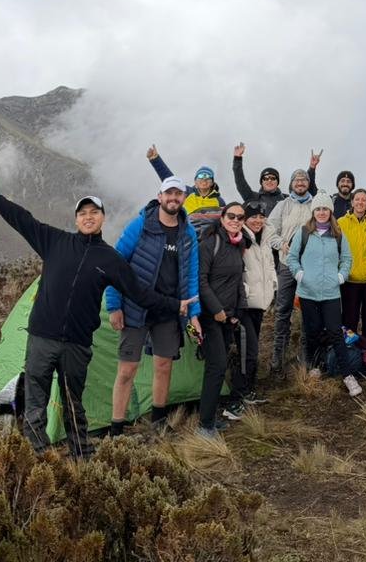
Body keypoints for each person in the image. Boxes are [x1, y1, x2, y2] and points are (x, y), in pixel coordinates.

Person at [0, 166, 183, 459]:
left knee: (74, 402)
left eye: (94, 212)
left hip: (77, 345)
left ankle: (80, 453)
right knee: (36, 400)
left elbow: (140, 294)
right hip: (41, 338)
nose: (88, 217)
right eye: (83, 213)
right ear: (76, 218)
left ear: (102, 219)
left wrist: (176, 305)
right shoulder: (55, 241)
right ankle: (40, 454)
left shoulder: (110, 259)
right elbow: (21, 219)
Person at [106, 177, 202, 435]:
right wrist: (114, 305)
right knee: (127, 369)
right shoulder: (141, 225)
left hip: (169, 310)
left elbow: (192, 274)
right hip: (135, 308)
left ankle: (158, 422)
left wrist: (194, 314)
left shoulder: (187, 232)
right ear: (159, 197)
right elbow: (117, 264)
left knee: (164, 365)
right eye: (168, 193)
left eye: (178, 194)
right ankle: (117, 428)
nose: (173, 198)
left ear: (183, 199)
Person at [286, 192, 362, 396]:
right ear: (313, 212)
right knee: (312, 332)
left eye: (325, 209)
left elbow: (347, 259)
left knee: (336, 333)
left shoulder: (338, 235)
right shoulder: (303, 233)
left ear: (330, 212)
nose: (321, 212)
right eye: (318, 209)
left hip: (331, 293)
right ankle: (315, 367)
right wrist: (300, 275)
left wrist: (340, 277)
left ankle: (348, 375)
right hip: (308, 293)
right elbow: (292, 258)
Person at [197, 202, 250, 435]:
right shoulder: (210, 244)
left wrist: (238, 312)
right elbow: (201, 281)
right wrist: (217, 309)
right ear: (222, 217)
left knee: (218, 366)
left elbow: (238, 280)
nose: (235, 220)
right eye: (231, 216)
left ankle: (208, 419)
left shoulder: (238, 245)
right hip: (209, 315)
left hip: (228, 316)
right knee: (217, 366)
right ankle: (204, 425)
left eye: (240, 217)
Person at [264, 169, 316, 373]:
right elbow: (269, 231)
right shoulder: (282, 205)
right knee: (282, 310)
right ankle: (278, 357)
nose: (300, 183)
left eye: (304, 180)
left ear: (308, 184)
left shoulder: (316, 204)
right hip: (286, 265)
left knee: (307, 312)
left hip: (310, 267)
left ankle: (305, 357)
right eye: (297, 180)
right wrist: (281, 244)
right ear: (291, 184)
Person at [238, 200, 277, 401]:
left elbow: (269, 265)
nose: (258, 220)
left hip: (260, 302)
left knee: (252, 349)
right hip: (244, 304)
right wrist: (243, 295)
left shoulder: (265, 238)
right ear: (245, 218)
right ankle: (243, 392)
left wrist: (273, 286)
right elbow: (235, 271)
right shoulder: (241, 239)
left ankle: (248, 390)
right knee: (248, 350)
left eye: (261, 216)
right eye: (253, 216)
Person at [147, 146, 225, 232]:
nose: (204, 180)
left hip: (209, 236)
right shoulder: (187, 192)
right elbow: (169, 178)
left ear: (212, 182)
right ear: (195, 182)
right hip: (187, 232)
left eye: (208, 178)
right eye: (200, 177)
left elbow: (224, 220)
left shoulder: (219, 201)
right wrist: (155, 160)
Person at [232, 142, 320, 215]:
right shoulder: (253, 197)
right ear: (261, 182)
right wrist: (237, 159)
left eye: (273, 178)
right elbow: (240, 182)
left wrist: (312, 168)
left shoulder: (287, 199)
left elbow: (308, 191)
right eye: (266, 178)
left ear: (277, 182)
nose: (269, 180)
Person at [337, 189, 366, 340]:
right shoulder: (341, 222)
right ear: (352, 202)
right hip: (350, 278)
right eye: (357, 199)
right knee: (350, 318)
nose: (360, 202)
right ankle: (350, 349)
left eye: (364, 200)